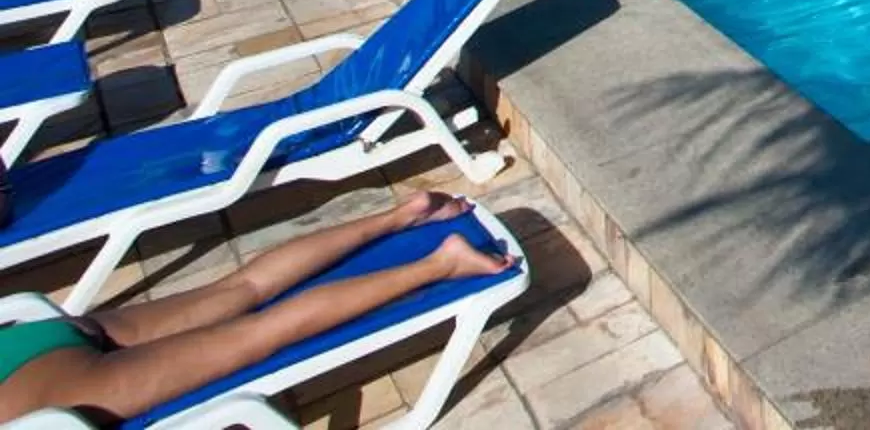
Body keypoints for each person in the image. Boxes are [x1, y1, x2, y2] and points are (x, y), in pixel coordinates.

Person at [0, 192, 505, 424]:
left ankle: (440, 265)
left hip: (47, 398)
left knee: (263, 332)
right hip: (22, 343)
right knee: (239, 290)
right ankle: (401, 215)